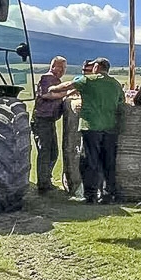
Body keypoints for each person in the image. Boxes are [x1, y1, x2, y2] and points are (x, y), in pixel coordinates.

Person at [48, 57, 125, 204]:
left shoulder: (88, 80)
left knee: (90, 161)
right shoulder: (115, 84)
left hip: (91, 126)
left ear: (96, 67)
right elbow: (121, 101)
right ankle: (108, 194)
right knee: (108, 162)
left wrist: (52, 88)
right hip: (110, 127)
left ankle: (90, 195)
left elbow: (68, 85)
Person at [31, 56, 67, 193]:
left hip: (48, 120)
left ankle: (46, 179)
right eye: (61, 67)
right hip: (42, 120)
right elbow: (47, 95)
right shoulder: (47, 78)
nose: (63, 71)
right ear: (53, 67)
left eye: (64, 68)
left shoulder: (55, 79)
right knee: (45, 151)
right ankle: (43, 184)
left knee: (53, 152)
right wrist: (66, 93)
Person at [60, 60, 94, 200]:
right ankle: (79, 186)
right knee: (77, 153)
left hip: (90, 123)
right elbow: (72, 91)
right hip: (80, 125)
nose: (85, 72)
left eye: (88, 70)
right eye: (84, 70)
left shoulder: (95, 81)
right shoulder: (79, 80)